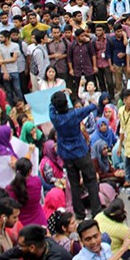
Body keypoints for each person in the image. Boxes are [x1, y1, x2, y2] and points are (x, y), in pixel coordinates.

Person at [49, 90, 102, 220]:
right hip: (80, 151)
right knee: (90, 180)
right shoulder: (74, 114)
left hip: (66, 154)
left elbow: (51, 106)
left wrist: (59, 94)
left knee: (74, 183)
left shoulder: (54, 118)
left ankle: (79, 213)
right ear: (67, 103)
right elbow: (92, 106)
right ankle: (96, 210)